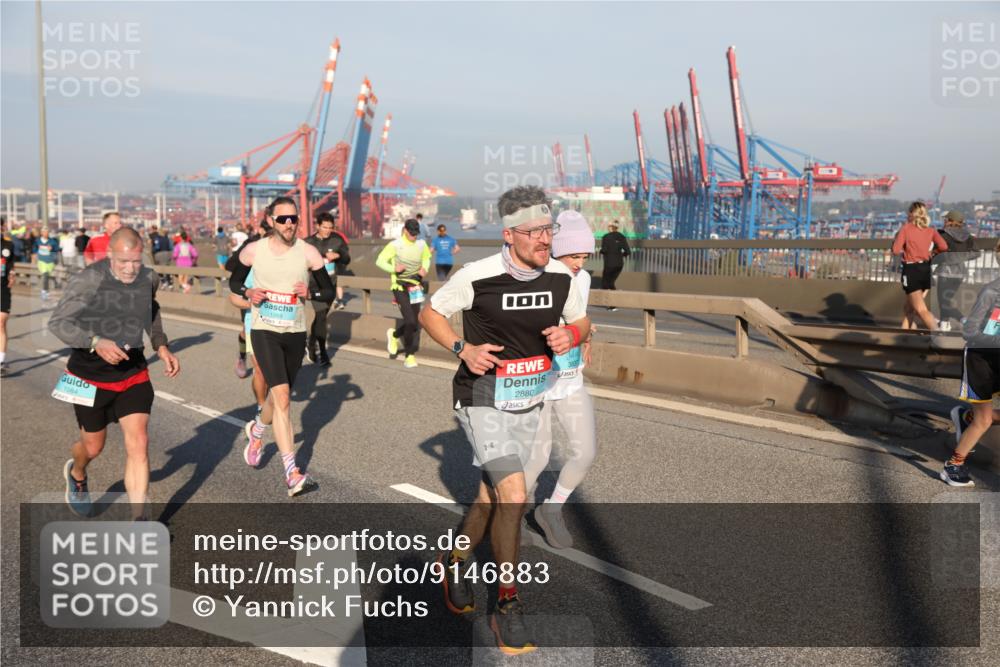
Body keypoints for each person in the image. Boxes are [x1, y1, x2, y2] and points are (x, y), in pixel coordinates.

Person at [419, 185, 590, 655]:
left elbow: (583, 320)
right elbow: (429, 311)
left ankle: (453, 562)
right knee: (515, 494)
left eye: (548, 229)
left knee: (489, 497)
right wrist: (461, 347)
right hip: (481, 396)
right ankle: (508, 605)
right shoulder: (478, 275)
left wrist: (569, 333)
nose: (544, 239)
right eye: (534, 231)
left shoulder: (560, 275)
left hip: (529, 399)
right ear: (509, 233)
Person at [48, 227, 180, 519]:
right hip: (88, 376)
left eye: (136, 261)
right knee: (93, 447)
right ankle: (78, 472)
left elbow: (151, 310)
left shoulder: (149, 278)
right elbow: (58, 323)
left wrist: (161, 345)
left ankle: (139, 520)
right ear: (110, 255)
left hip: (132, 372)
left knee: (139, 443)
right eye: (124, 262)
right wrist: (95, 342)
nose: (131, 268)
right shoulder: (88, 281)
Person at [228, 196, 335, 497]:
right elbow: (234, 284)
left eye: (293, 219)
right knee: (284, 397)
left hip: (294, 332)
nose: (289, 224)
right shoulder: (254, 250)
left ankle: (257, 431)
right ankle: (292, 472)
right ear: (271, 221)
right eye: (282, 219)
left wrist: (311, 290)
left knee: (278, 396)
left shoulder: (309, 252)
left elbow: (327, 291)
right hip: (264, 331)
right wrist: (249, 291)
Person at [522, 210, 597, 549]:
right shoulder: (534, 279)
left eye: (583, 256)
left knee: (586, 452)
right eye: (572, 255)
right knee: (537, 457)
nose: (579, 263)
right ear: (554, 250)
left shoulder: (583, 280)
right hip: (537, 381)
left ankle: (551, 511)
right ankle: (510, 516)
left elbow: (581, 319)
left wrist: (588, 338)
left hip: (570, 378)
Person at [944, 240, 1000, 488]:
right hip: (980, 361)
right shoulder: (991, 292)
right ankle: (953, 466)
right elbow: (969, 332)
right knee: (984, 420)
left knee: (981, 418)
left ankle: (965, 417)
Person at [229, 266, 272, 466]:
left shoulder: (288, 265)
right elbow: (234, 297)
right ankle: (260, 407)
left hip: (282, 328)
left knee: (279, 380)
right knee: (261, 371)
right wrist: (251, 303)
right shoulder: (253, 268)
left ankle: (261, 421)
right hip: (255, 324)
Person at [377, 218, 431, 369]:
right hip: (399, 287)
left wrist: (424, 269)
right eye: (411, 233)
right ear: (405, 230)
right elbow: (380, 261)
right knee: (411, 321)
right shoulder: (395, 245)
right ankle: (409, 355)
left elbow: (427, 258)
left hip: (415, 287)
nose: (414, 236)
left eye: (416, 233)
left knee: (414, 324)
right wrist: (393, 269)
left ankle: (394, 335)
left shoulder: (421, 244)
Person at [891, 201, 947, 331]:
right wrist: (932, 252)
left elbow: (895, 250)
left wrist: (902, 244)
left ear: (911, 213)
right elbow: (944, 246)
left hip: (912, 270)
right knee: (909, 308)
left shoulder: (906, 228)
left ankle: (938, 335)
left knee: (921, 309)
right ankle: (903, 337)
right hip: (925, 270)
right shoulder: (930, 230)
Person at [304, 212, 347, 365]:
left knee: (320, 318)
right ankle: (323, 353)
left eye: (330, 227)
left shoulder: (337, 240)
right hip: (314, 284)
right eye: (324, 227)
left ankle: (310, 342)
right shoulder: (307, 242)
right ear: (317, 226)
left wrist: (339, 255)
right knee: (321, 316)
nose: (328, 230)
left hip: (331, 285)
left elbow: (347, 258)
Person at [227, 216, 267, 378]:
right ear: (262, 231)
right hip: (249, 293)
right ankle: (242, 357)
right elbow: (230, 265)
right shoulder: (251, 246)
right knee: (246, 330)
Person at [933, 210, 979, 332]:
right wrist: (959, 257)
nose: (944, 221)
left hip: (945, 272)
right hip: (960, 273)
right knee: (946, 301)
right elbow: (976, 253)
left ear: (950, 221)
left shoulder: (943, 235)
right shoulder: (967, 236)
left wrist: (930, 261)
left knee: (943, 302)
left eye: (946, 219)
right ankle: (944, 325)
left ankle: (963, 320)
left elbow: (936, 253)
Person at [599, 221, 630, 311]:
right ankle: (613, 303)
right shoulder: (622, 237)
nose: (607, 227)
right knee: (611, 283)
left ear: (611, 227)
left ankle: (612, 304)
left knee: (605, 284)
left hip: (609, 263)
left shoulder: (606, 237)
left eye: (608, 226)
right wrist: (620, 256)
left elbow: (604, 249)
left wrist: (601, 251)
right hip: (619, 264)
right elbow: (628, 252)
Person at [1, 217, 15, 377]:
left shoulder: (8, 245)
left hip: (2, 288)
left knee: (1, 322)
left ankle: (1, 362)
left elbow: (11, 263)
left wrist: (12, 274)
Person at [34, 227, 61, 300]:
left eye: (47, 232)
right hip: (41, 261)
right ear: (41, 233)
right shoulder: (37, 241)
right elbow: (34, 249)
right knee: (45, 275)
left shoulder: (52, 241)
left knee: (48, 276)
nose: (46, 233)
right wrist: (34, 256)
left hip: (50, 262)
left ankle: (48, 289)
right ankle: (44, 292)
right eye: (44, 232)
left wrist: (52, 249)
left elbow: (57, 249)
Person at [331, 220, 351, 310]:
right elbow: (347, 245)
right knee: (339, 282)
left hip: (331, 263)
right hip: (341, 262)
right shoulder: (341, 235)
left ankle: (334, 300)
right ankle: (340, 301)